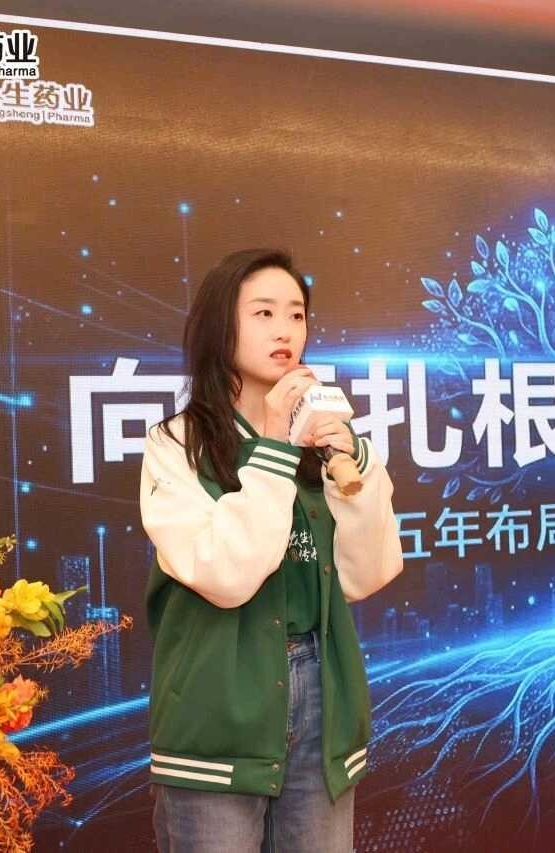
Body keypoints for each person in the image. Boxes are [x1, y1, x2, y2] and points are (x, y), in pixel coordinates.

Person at [140, 248, 403, 852]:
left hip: (321, 693)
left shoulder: (323, 439)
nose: (285, 330)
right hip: (217, 707)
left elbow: (368, 572)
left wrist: (352, 464)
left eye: (296, 314)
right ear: (220, 325)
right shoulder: (176, 444)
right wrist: (278, 450)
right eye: (263, 313)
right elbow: (225, 576)